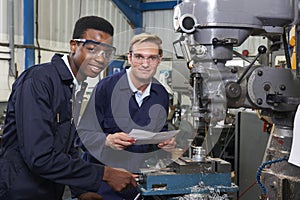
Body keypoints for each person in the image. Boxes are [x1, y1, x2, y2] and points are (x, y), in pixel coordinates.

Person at [0, 16, 137, 200]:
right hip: (21, 191)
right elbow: (39, 157)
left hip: (50, 191)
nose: (100, 58)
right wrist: (106, 174)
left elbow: (67, 148)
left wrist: (81, 191)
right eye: (92, 49)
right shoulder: (40, 81)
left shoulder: (73, 87)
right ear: (74, 45)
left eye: (107, 53)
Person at [77, 33, 176, 200]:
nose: (145, 64)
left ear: (159, 59)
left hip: (140, 183)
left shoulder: (161, 95)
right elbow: (81, 136)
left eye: (151, 58)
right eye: (139, 57)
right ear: (129, 58)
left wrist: (165, 143)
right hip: (105, 185)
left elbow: (158, 136)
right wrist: (106, 140)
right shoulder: (106, 88)